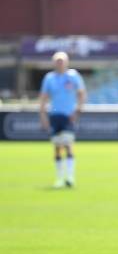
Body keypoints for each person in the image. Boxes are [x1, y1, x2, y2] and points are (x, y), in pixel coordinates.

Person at [39, 51, 86, 188]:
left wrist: (77, 110)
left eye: (62, 61)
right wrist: (43, 116)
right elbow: (43, 98)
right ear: (54, 63)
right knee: (57, 147)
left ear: (66, 62)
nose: (60, 63)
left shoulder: (73, 76)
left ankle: (70, 177)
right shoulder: (49, 78)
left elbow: (82, 93)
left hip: (68, 115)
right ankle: (59, 178)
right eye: (57, 61)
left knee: (68, 144)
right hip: (55, 115)